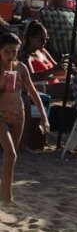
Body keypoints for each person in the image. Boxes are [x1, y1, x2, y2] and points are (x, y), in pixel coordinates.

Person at [0, 31, 44, 204]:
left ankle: (5, 194)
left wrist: (43, 116)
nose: (11, 56)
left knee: (12, 156)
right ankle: (6, 197)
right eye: (6, 52)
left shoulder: (20, 67)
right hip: (1, 115)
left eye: (14, 52)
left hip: (19, 115)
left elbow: (33, 92)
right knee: (9, 153)